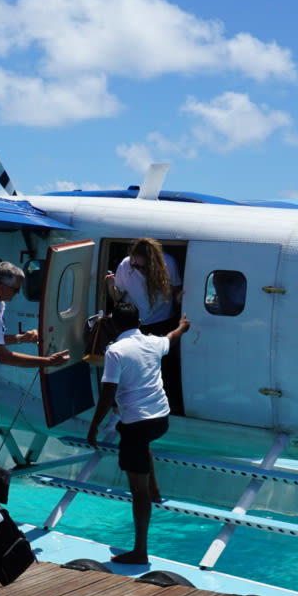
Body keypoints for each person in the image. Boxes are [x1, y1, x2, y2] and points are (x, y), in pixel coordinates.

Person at [85, 301, 190, 564]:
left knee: (137, 491)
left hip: (137, 426)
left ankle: (140, 552)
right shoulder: (153, 342)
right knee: (142, 441)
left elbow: (108, 394)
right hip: (161, 419)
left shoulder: (115, 351)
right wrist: (182, 326)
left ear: (112, 325)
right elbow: (171, 338)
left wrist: (94, 425)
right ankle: (155, 488)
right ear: (140, 323)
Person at [0, 261, 69, 436]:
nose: (18, 293)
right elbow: (3, 356)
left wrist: (21, 338)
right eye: (15, 289)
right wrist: (48, 362)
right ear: (1, 286)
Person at [104, 239, 183, 411]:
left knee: (164, 368)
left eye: (143, 267)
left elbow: (177, 289)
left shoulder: (168, 263)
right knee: (133, 368)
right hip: (136, 324)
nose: (139, 270)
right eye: (136, 266)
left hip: (162, 321)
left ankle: (168, 405)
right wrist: (111, 286)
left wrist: (180, 300)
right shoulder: (126, 265)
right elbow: (117, 297)